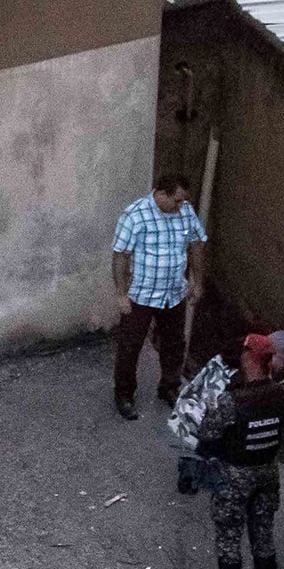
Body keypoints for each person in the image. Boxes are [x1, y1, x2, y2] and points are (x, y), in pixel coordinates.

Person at [195, 334, 284, 569]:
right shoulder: (282, 394)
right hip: (267, 472)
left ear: (249, 358)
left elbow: (207, 433)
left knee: (228, 536)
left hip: (234, 476)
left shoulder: (232, 401)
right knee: (263, 534)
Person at [111, 173, 208, 420]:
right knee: (130, 346)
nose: (180, 206)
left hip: (173, 293)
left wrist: (197, 280)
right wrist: (121, 294)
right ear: (161, 194)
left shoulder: (184, 211)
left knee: (174, 343)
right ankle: (124, 394)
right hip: (141, 295)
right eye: (176, 201)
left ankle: (169, 386)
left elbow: (197, 242)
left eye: (183, 201)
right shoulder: (134, 215)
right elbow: (120, 255)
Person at [169, 329, 284, 495]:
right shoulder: (239, 373)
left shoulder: (241, 355)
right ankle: (192, 472)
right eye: (283, 360)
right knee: (223, 451)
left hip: (194, 413)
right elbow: (219, 411)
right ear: (271, 354)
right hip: (194, 419)